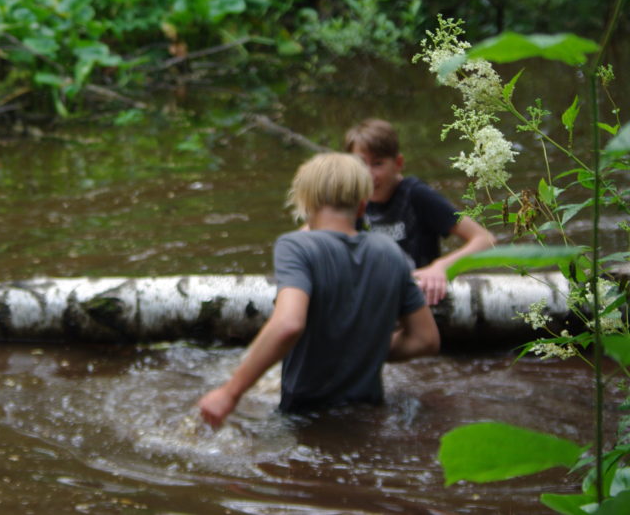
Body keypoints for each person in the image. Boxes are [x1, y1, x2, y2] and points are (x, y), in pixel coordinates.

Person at [198, 152, 440, 428]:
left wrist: (230, 393)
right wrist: (363, 350)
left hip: (306, 419)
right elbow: (426, 339)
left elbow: (288, 324)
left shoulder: (297, 247)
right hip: (369, 417)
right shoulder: (391, 252)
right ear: (362, 206)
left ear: (305, 203)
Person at [344, 118, 494, 306]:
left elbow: (484, 239)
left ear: (398, 163)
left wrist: (441, 266)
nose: (368, 174)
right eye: (360, 164)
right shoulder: (354, 198)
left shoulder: (416, 195)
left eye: (378, 163)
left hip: (420, 294)